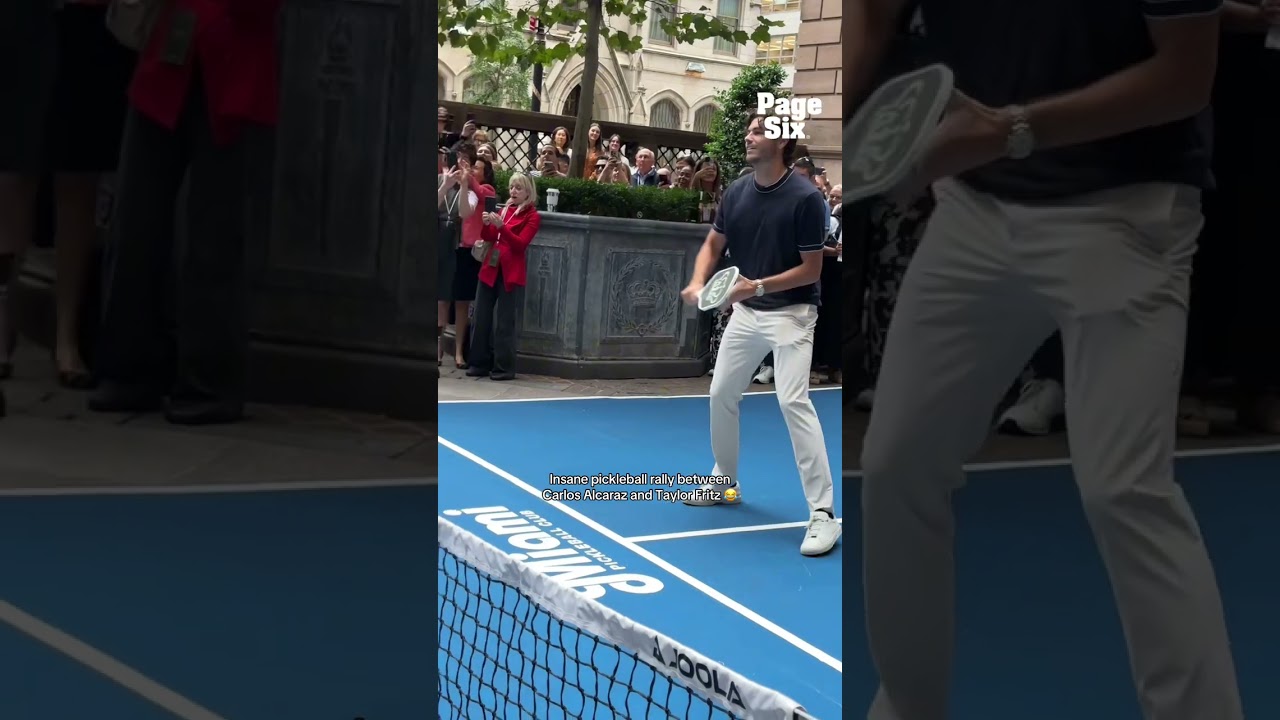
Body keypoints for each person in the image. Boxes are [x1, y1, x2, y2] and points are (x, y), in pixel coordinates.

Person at [849, 0, 1241, 718]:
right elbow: (872, 20)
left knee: (1124, 489)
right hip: (975, 210)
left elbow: (1187, 75)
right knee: (897, 461)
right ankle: (907, 706)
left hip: (1127, 210)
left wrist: (1011, 130)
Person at [89, 0, 284, 425]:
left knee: (214, 231)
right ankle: (130, 368)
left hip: (232, 53)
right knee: (136, 219)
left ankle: (209, 381)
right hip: (170, 45)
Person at [679, 115, 838, 557]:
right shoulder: (736, 191)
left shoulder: (807, 199)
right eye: (749, 130)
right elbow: (713, 244)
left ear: (782, 141)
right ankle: (724, 481)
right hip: (749, 313)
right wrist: (698, 282)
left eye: (759, 131)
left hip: (793, 313)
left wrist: (758, 286)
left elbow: (812, 270)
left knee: (792, 401)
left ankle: (823, 514)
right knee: (721, 392)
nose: (749, 137)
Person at [0, 0, 136, 400]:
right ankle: (5, 319)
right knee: (16, 172)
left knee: (77, 178)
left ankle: (67, 336)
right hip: (25, 17)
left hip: (88, 19)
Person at [467, 172, 541, 381]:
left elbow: (520, 245)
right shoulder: (504, 209)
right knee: (481, 317)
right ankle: (478, 363)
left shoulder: (532, 216)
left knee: (504, 321)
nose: (513, 191)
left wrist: (502, 227)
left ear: (528, 192)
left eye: (518, 188)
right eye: (511, 187)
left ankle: (504, 367)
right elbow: (488, 236)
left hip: (510, 272)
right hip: (490, 268)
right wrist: (487, 224)